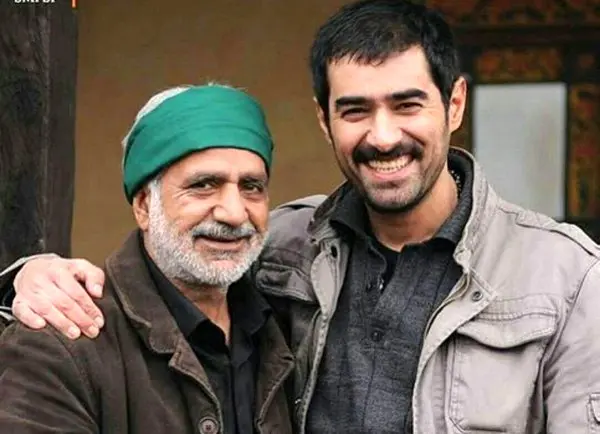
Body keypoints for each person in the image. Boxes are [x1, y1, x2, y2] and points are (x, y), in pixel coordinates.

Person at [3, 0, 600, 432]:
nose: (383, 136)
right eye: (356, 110)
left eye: (407, 104)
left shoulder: (566, 277)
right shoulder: (288, 247)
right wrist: (26, 274)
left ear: (455, 104)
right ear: (325, 120)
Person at [0, 84, 294, 434]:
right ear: (143, 206)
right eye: (203, 185)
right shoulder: (62, 343)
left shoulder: (288, 320)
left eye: (252, 187)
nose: (234, 213)